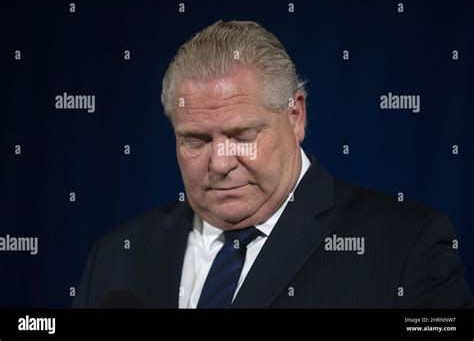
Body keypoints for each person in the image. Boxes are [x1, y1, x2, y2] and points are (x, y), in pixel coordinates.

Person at [73, 20, 473, 308]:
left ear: (295, 115)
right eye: (196, 140)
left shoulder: (406, 247)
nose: (220, 163)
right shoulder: (116, 257)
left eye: (243, 136)